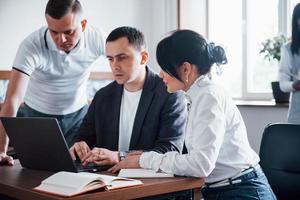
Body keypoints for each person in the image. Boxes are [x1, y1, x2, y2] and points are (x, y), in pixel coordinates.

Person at [110, 30, 276, 199]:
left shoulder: (208, 97)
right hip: (223, 189)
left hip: (242, 192)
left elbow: (201, 164)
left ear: (185, 68)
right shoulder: (195, 95)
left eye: (164, 67)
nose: (160, 74)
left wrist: (146, 159)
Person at [0, 0, 106, 165]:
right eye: (53, 32)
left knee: (79, 169)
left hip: (79, 117)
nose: (60, 39)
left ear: (83, 24)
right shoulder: (32, 45)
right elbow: (13, 99)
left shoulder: (96, 37)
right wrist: (1, 151)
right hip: (37, 117)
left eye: (68, 32)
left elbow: (123, 58)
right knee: (36, 172)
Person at [69, 26, 187, 167]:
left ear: (143, 58)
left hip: (149, 182)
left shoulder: (170, 94)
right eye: (110, 59)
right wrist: (79, 146)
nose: (114, 66)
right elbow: (83, 137)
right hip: (106, 179)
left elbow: (170, 150)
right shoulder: (102, 96)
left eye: (122, 58)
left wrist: (120, 157)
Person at [279, 3, 300, 123]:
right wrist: (294, 85)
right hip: (297, 117)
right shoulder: (288, 49)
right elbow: (283, 84)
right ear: (297, 21)